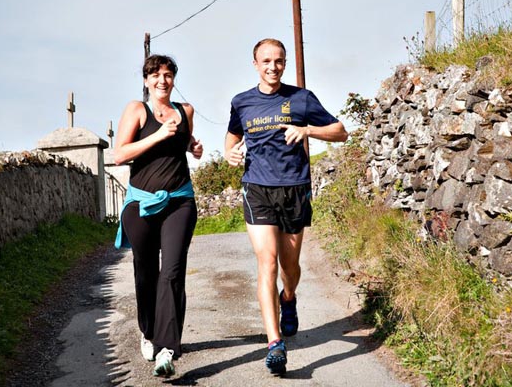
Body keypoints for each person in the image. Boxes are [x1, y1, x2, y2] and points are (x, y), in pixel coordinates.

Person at [225, 38, 348, 375]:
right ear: (255, 64)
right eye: (266, 61)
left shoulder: (302, 98)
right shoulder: (242, 102)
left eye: (278, 61)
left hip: (294, 188)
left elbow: (341, 132)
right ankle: (275, 344)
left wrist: (307, 130)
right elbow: (232, 136)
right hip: (257, 188)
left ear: (285, 63)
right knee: (267, 262)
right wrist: (229, 152)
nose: (273, 67)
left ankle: (289, 297)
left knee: (289, 267)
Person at [113, 54, 203, 377]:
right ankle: (148, 331)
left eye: (168, 74)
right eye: (156, 75)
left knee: (173, 271)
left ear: (174, 78)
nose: (162, 80)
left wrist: (193, 147)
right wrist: (157, 135)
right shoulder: (137, 110)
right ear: (147, 80)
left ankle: (167, 348)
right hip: (141, 205)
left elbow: (186, 141)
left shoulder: (185, 111)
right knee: (146, 271)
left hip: (179, 200)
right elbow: (120, 153)